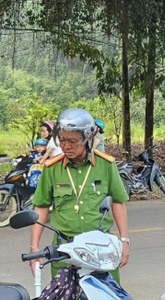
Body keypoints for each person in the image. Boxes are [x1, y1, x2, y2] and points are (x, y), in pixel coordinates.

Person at [29, 108, 130, 282]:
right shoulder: (52, 169)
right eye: (62, 140)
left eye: (73, 141)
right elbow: (42, 206)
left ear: (88, 139)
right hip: (64, 250)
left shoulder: (105, 165)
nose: (66, 146)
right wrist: (34, 246)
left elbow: (118, 202)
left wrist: (124, 240)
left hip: (100, 248)